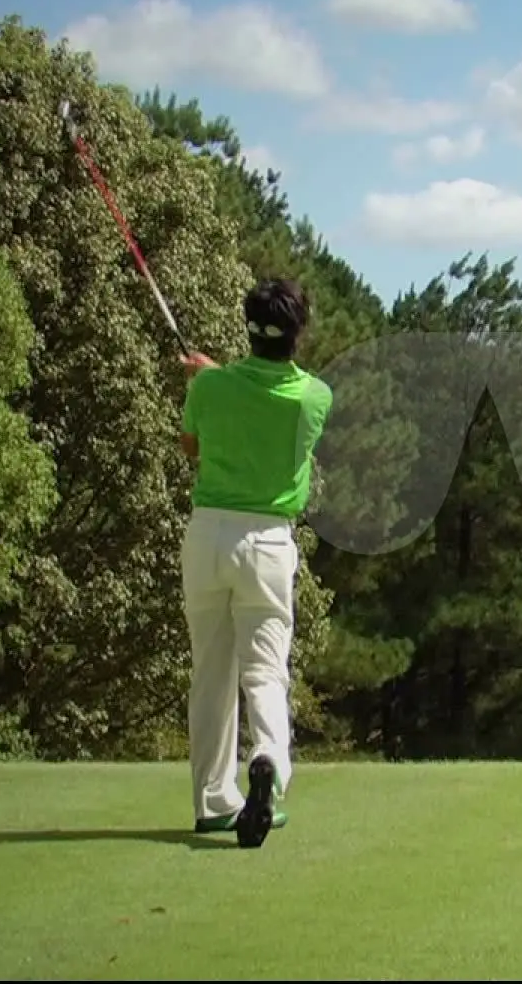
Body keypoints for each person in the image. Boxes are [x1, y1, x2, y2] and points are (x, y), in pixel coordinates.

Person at [176, 278, 333, 849]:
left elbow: (193, 448)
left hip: (208, 534)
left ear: (248, 326)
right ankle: (267, 758)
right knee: (264, 669)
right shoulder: (314, 396)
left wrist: (208, 380)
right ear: (297, 334)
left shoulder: (209, 385)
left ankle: (215, 802)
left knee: (211, 674)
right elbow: (264, 402)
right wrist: (217, 379)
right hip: (267, 541)